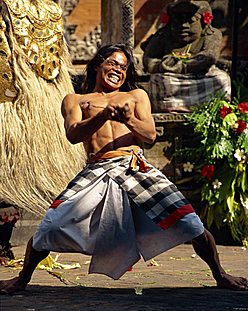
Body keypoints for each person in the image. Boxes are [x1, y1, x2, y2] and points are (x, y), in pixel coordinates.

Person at [0, 43, 247, 294]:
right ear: (98, 64)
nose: (118, 70)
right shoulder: (76, 100)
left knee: (189, 224)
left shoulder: (136, 96)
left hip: (134, 167)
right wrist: (103, 115)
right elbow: (73, 134)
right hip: (97, 170)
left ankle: (220, 275)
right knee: (51, 226)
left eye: (124, 67)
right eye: (113, 63)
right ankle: (21, 279)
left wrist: (128, 119)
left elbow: (149, 136)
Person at [141, 0, 231, 112]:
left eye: (191, 21)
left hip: (202, 76)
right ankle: (174, 107)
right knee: (162, 82)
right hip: (171, 77)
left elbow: (209, 56)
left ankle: (211, 107)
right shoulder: (163, 35)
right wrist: (162, 65)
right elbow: (148, 60)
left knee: (222, 79)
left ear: (203, 23)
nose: (183, 25)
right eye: (177, 21)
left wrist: (182, 66)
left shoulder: (212, 34)